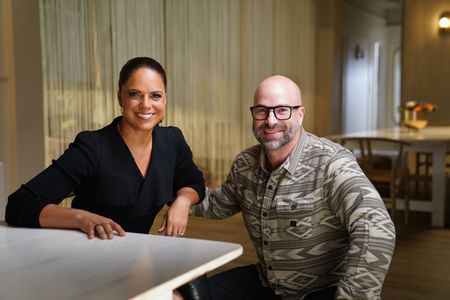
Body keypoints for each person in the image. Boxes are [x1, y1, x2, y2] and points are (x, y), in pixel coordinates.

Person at [193, 75, 396, 299]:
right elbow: (215, 205)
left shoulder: (332, 163)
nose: (270, 120)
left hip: (324, 290)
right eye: (262, 110)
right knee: (191, 295)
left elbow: (377, 228)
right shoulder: (245, 164)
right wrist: (172, 191)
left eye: (282, 110)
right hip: (267, 285)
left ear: (300, 115)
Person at [5, 56, 204, 240]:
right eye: (135, 94)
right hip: (87, 258)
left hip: (137, 255)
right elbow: (19, 204)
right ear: (120, 98)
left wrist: (183, 201)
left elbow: (193, 183)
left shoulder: (172, 140)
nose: (146, 104)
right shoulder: (92, 147)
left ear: (165, 99)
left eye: (155, 96)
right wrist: (81, 218)